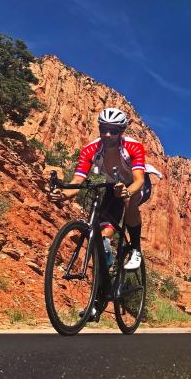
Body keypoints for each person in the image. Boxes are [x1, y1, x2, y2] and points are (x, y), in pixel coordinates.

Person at [49, 107, 160, 270]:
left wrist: (127, 191)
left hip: (136, 185)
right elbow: (77, 182)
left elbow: (139, 180)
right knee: (104, 231)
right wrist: (63, 194)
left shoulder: (133, 147)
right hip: (112, 185)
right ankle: (105, 274)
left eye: (113, 131)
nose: (107, 134)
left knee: (129, 200)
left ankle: (135, 249)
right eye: (103, 129)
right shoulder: (90, 150)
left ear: (121, 131)